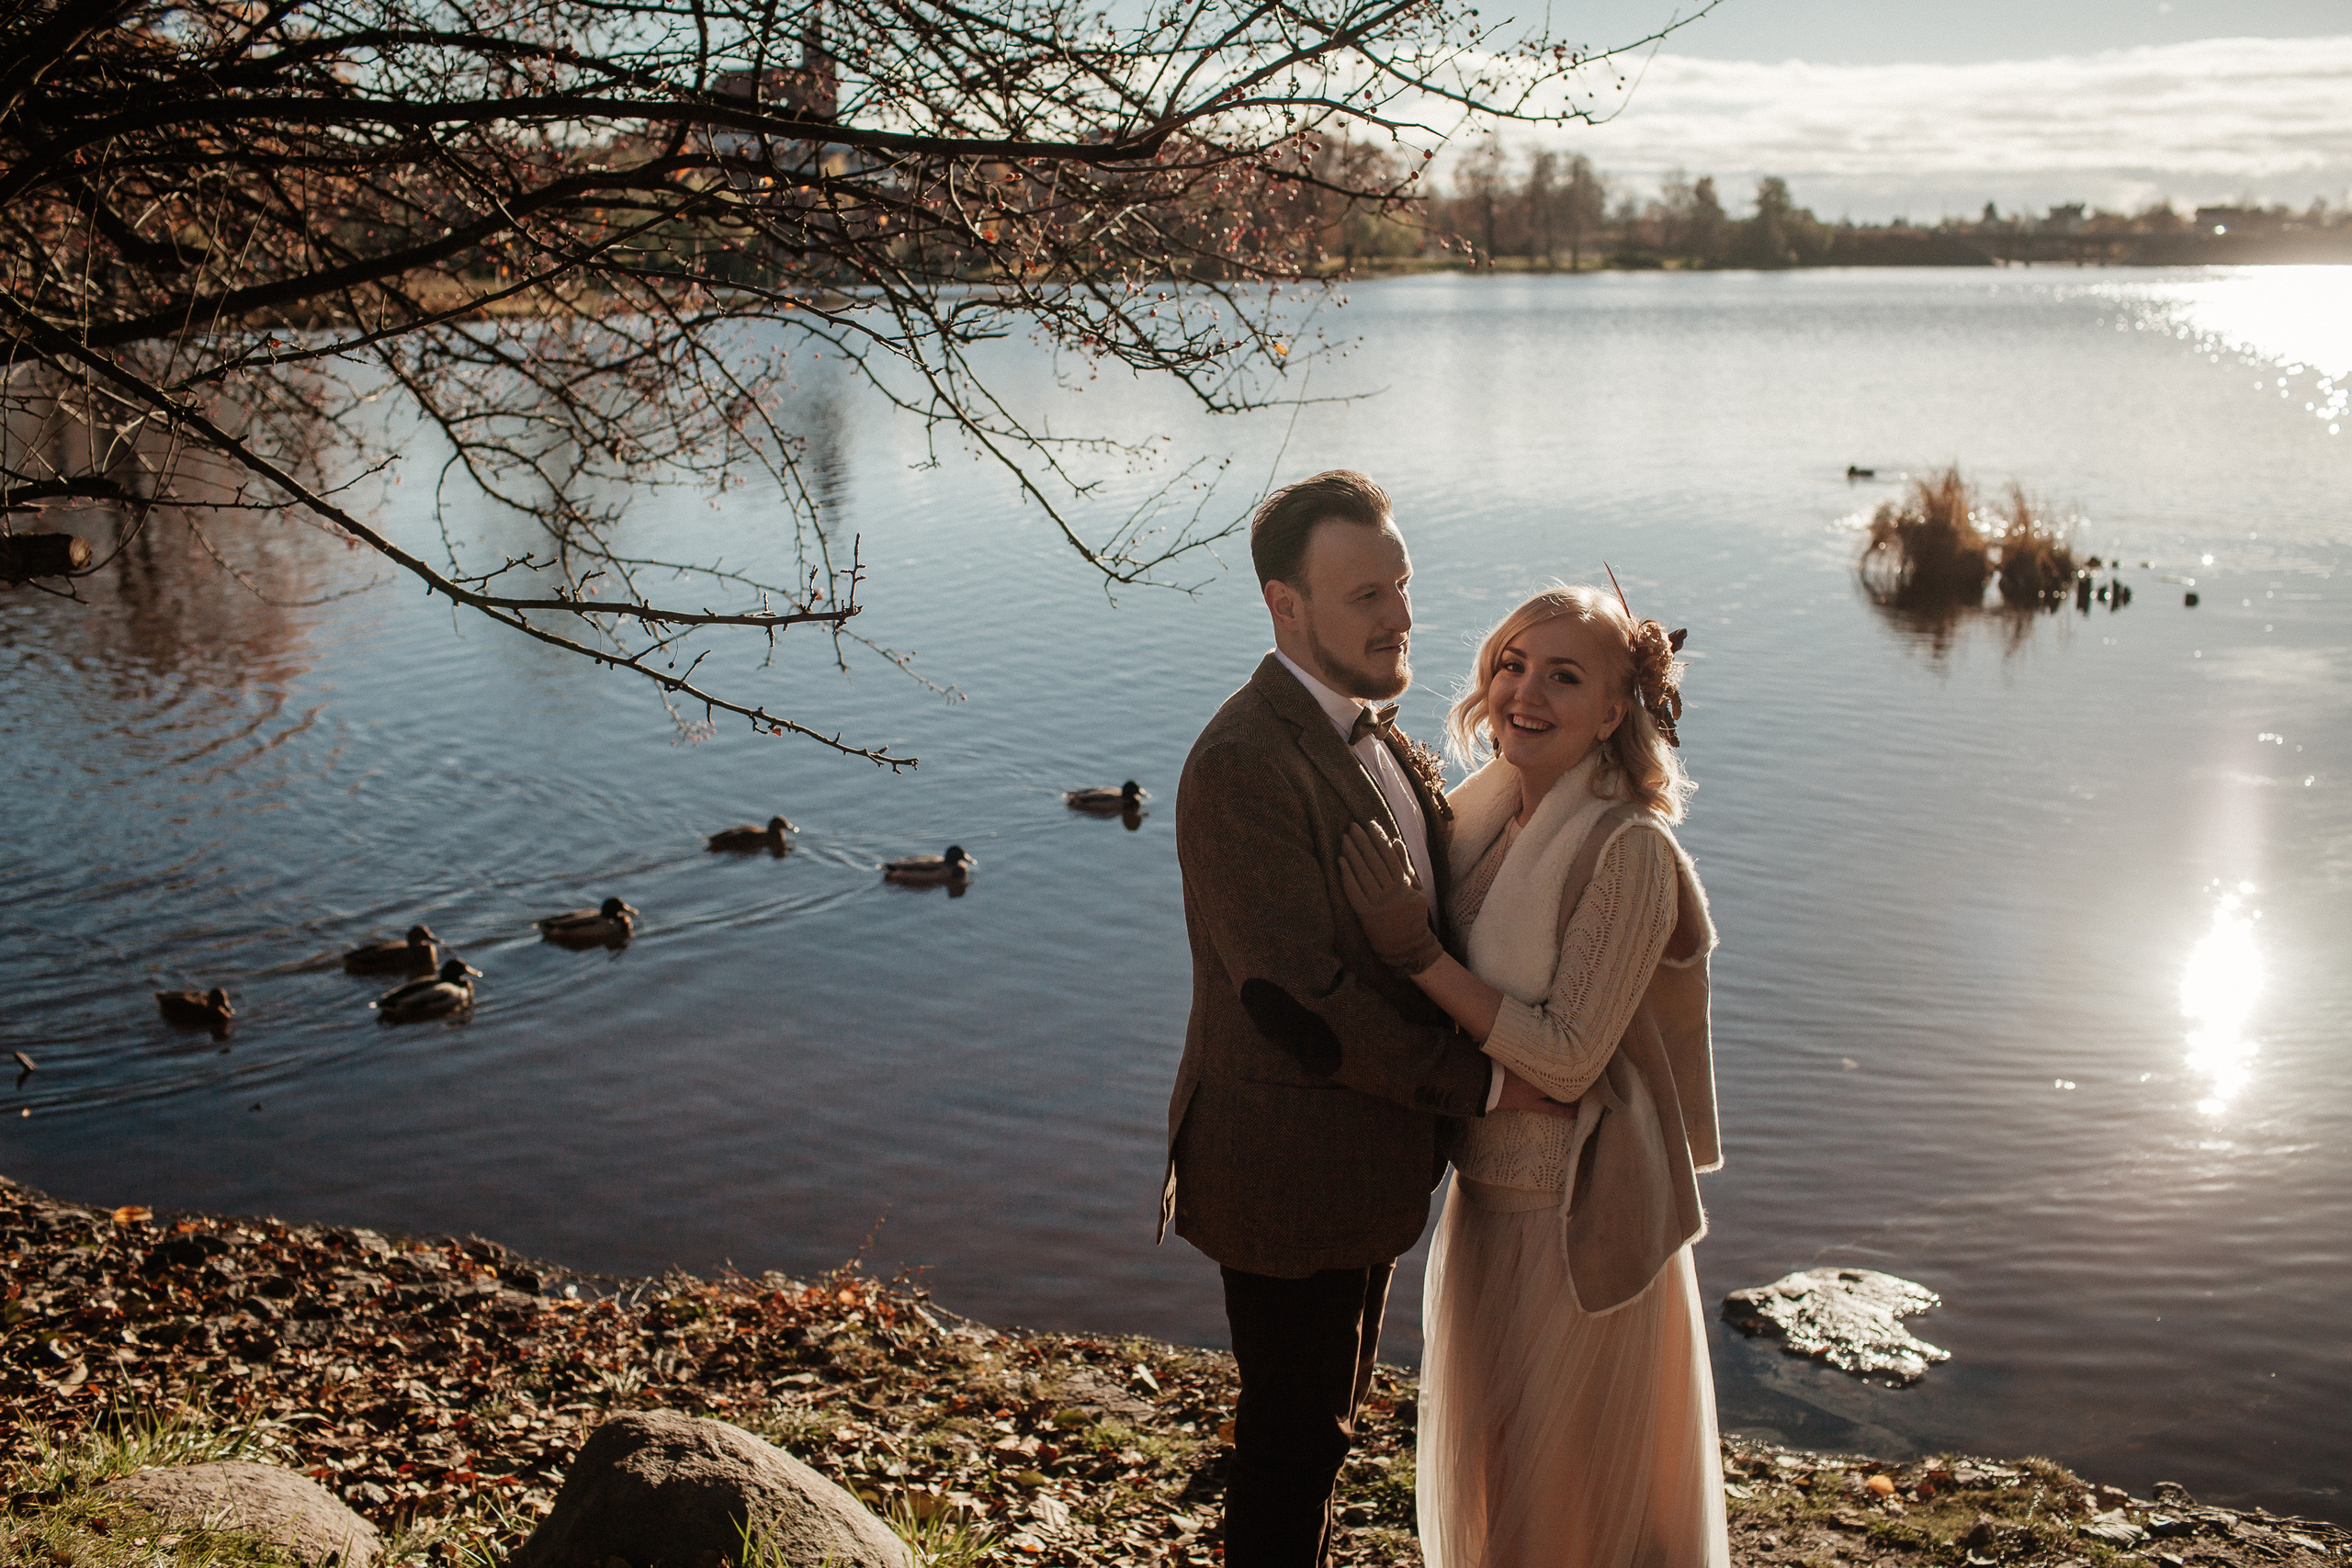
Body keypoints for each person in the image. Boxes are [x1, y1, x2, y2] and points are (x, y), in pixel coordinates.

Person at [1161, 470, 1569, 1567]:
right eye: (1363, 596)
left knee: (1326, 1432)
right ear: (1283, 606)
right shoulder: (1244, 765)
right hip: (1284, 1169)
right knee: (1292, 1444)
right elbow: (1302, 1011)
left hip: (1367, 1159)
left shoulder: (1379, 740)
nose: (1396, 615)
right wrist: (1492, 1082)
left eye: (1401, 585)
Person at [1338, 582, 1728, 1568]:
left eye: (1562, 675)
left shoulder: (1628, 849)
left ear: (1612, 711)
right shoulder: (1483, 821)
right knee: (1500, 1496)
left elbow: (1562, 1056)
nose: (1525, 691)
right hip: (1487, 1204)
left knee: (1567, 1523)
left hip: (1575, 1226)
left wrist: (1415, 957)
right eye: (1512, 663)